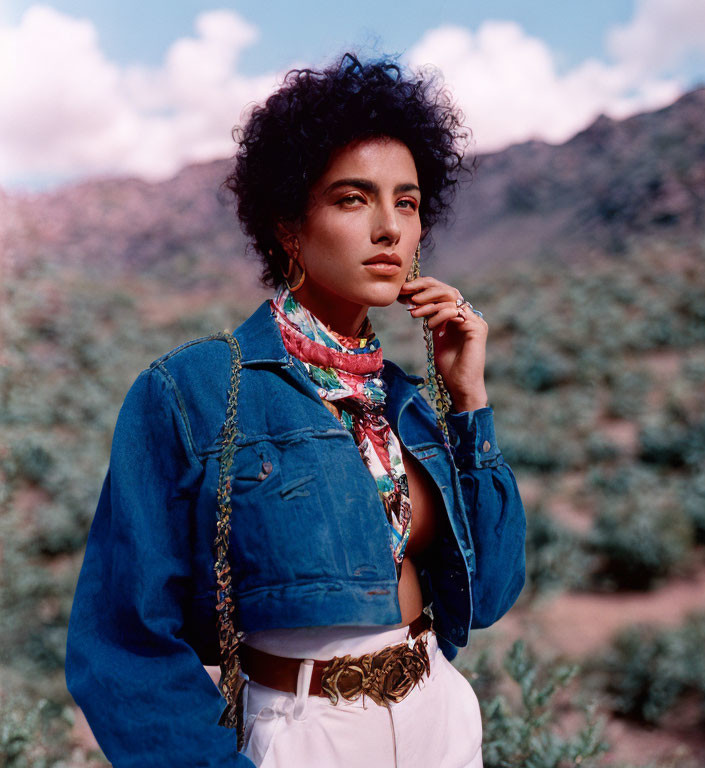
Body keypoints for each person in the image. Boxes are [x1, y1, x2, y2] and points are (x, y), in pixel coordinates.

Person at [65, 52, 527, 768]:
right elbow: (121, 641)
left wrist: (468, 398)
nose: (390, 229)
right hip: (306, 735)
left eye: (406, 202)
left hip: (440, 720)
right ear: (288, 225)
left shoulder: (406, 398)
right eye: (353, 198)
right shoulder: (193, 389)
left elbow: (491, 594)